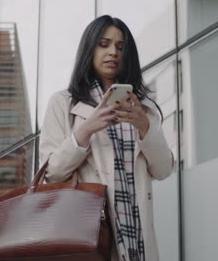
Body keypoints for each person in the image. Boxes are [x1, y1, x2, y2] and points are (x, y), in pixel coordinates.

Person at [39, 15, 174, 261]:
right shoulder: (63, 103)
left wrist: (144, 127)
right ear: (89, 49)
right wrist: (85, 130)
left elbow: (164, 169)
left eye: (120, 47)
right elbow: (51, 173)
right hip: (87, 236)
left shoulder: (143, 109)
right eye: (104, 44)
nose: (113, 52)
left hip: (137, 241)